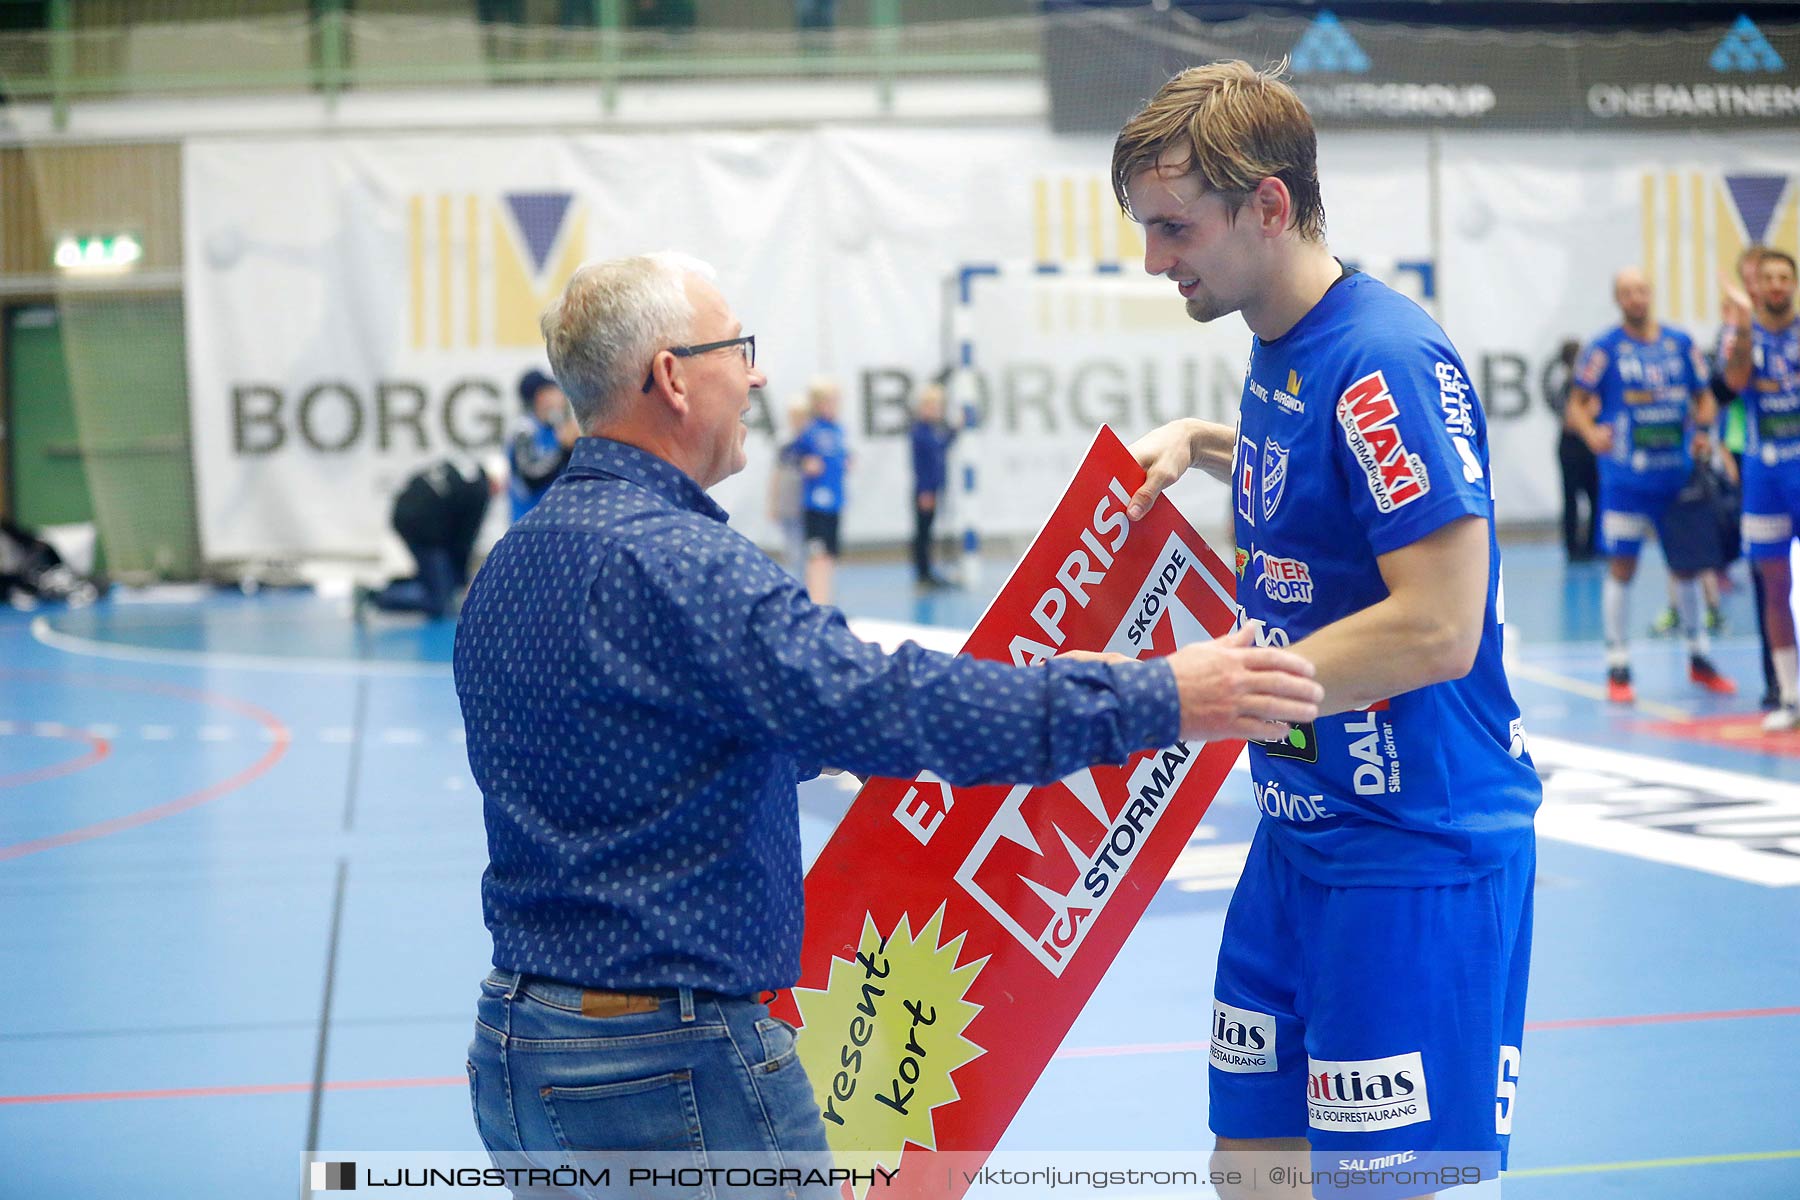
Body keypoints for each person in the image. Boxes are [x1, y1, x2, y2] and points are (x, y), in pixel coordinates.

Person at [452, 251, 1323, 1183]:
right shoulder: (687, 566)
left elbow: (664, 746)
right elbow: (887, 707)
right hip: (671, 1063)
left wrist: (962, 699)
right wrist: (1161, 694)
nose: (757, 375)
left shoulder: (514, 565)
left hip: (521, 1050)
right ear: (670, 376)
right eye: (736, 349)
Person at [1110, 62, 1541, 1196]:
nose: (1156, 259)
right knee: (1251, 1166)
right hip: (1301, 837)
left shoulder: (1386, 360)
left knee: (1377, 1186)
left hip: (1412, 854)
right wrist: (1204, 441)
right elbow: (1330, 494)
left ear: (1267, 204)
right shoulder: (1280, 339)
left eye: (1173, 227)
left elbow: (1440, 627)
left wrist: (1215, 687)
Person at [1565, 268, 1732, 703]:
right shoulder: (1604, 349)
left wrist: (1703, 428)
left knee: (1688, 568)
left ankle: (1699, 656)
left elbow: (1705, 395)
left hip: (1678, 479)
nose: (1635, 298)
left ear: (1650, 294)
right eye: (1626, 292)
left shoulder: (1679, 344)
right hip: (1625, 481)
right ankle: (1618, 664)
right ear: (1618, 299)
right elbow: (1577, 403)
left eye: (1641, 290)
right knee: (1623, 567)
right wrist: (1589, 433)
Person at [1724, 248, 1800, 730]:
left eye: (1784, 277)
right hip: (1763, 478)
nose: (1776, 285)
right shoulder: (1740, 335)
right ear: (1756, 287)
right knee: (1774, 586)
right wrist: (1746, 323)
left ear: (1793, 284)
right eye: (1768, 278)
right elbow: (1733, 382)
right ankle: (1790, 696)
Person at [1715, 244, 1778, 708]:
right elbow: (1722, 389)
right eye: (1750, 278)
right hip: (1752, 456)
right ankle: (1777, 680)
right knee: (1766, 571)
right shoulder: (1735, 333)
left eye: (1767, 276)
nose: (1758, 286)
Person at [357, 456, 496, 621]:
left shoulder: (467, 472)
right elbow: (464, 541)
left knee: (441, 580)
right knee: (440, 601)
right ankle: (373, 596)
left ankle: (387, 590)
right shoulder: (480, 491)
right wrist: (463, 581)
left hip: (408, 515)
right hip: (422, 527)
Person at [791, 376, 849, 604]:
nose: (833, 406)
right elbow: (790, 453)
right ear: (816, 404)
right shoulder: (811, 430)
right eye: (828, 401)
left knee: (831, 556)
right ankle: (816, 602)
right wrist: (805, 462)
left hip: (835, 500)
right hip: (815, 503)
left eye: (835, 401)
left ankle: (826, 600)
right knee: (817, 555)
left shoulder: (838, 430)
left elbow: (840, 455)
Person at [1549, 338, 1600, 562]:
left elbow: (1596, 409)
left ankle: (1592, 545)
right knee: (1571, 499)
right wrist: (1586, 413)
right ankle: (1573, 548)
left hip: (1588, 447)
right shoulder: (1566, 388)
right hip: (1571, 447)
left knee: (1595, 497)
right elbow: (1570, 419)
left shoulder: (1589, 388)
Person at [507, 368, 578, 520]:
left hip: (556, 521)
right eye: (552, 390)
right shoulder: (524, 430)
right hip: (528, 523)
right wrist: (564, 450)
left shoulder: (554, 428)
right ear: (540, 397)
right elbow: (531, 477)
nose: (560, 395)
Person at [909, 381, 959, 588]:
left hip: (934, 488)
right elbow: (921, 466)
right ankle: (922, 574)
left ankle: (928, 571)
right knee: (922, 532)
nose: (936, 411)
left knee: (928, 531)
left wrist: (956, 430)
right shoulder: (920, 432)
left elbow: (943, 444)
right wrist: (925, 491)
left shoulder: (932, 430)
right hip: (925, 489)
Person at [768, 397, 809, 575]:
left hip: (806, 501)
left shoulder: (810, 441)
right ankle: (796, 578)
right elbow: (776, 474)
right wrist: (773, 503)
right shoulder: (784, 443)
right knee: (791, 545)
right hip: (787, 500)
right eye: (794, 416)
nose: (797, 421)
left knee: (807, 544)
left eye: (801, 416)